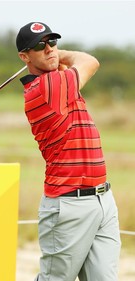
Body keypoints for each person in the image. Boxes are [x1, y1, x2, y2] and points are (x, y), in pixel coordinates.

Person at [16, 22, 121, 281]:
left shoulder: (61, 83)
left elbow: (70, 68)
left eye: (53, 42)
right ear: (24, 56)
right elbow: (89, 61)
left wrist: (50, 57)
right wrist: (61, 57)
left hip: (103, 199)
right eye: (40, 46)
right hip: (68, 204)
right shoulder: (46, 88)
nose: (49, 49)